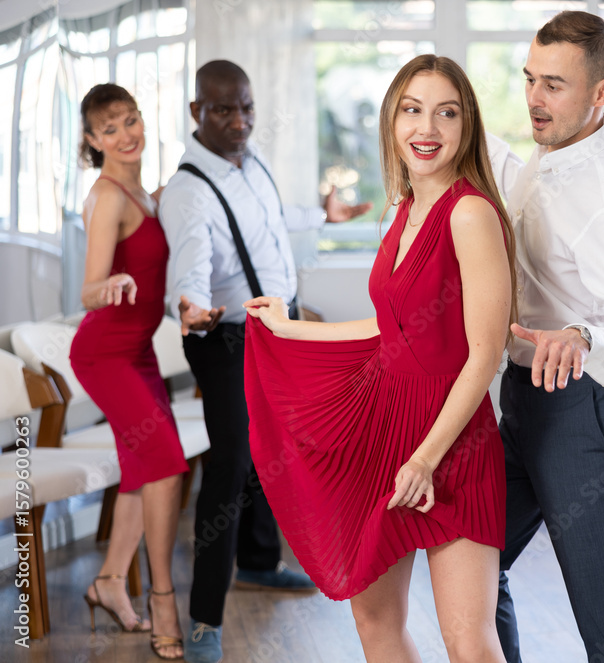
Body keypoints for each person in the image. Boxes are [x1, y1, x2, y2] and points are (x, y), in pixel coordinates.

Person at [242, 53, 514, 662]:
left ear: (467, 124)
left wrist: (425, 459)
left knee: (469, 641)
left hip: (452, 442)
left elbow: (485, 354)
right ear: (392, 121)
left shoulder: (470, 214)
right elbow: (391, 331)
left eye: (447, 113)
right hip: (382, 427)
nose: (428, 129)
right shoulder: (403, 210)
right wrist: (288, 330)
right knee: (376, 625)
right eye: (413, 111)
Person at [158, 60, 372, 663]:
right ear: (197, 112)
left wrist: (322, 217)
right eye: (224, 110)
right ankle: (203, 620)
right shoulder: (188, 191)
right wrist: (190, 304)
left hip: (272, 328)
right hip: (223, 338)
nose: (240, 121)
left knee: (266, 449)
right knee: (227, 467)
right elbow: (191, 271)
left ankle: (257, 560)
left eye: (246, 107)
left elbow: (271, 223)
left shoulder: (252, 163)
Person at [485, 11, 604, 661]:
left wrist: (585, 337)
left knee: (603, 615)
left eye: (554, 85)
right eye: (530, 79)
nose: (534, 98)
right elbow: (527, 199)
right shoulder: (548, 154)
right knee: (477, 566)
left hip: (584, 408)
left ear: (602, 93)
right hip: (524, 399)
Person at [69, 83, 186, 660]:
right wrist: (108, 285)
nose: (126, 134)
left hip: (137, 351)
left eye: (131, 120)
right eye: (110, 128)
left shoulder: (143, 194)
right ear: (93, 141)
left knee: (146, 466)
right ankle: (163, 599)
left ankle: (110, 581)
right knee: (164, 462)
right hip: (105, 353)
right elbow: (87, 291)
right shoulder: (111, 195)